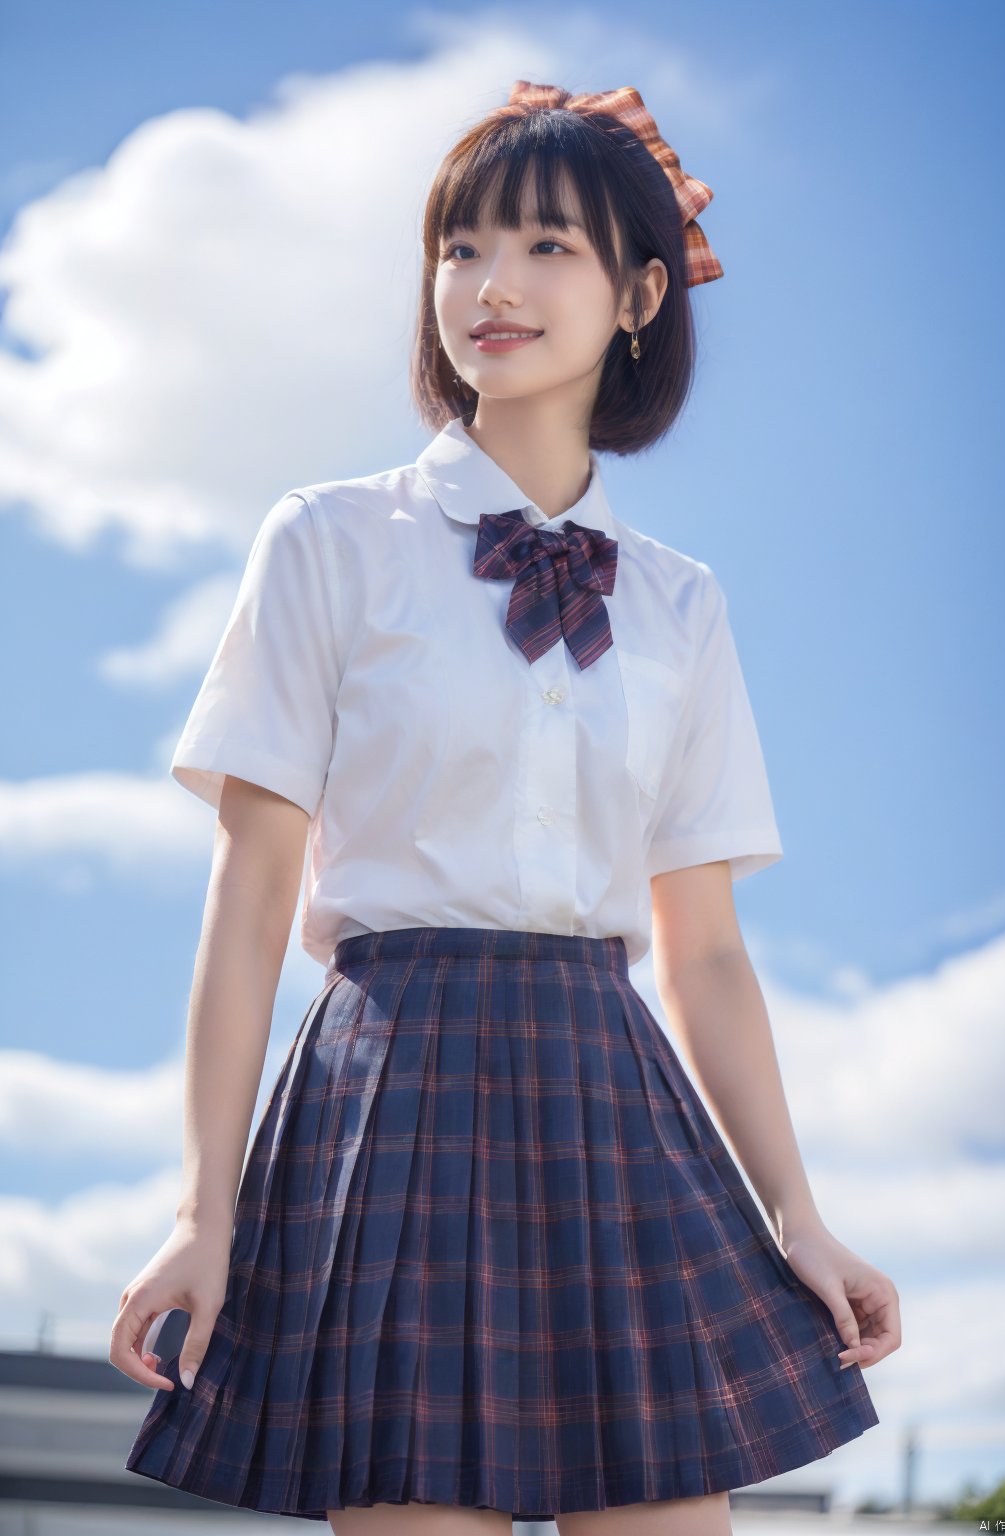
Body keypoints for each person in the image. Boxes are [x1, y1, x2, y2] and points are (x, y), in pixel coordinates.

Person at [111, 80, 900, 1536]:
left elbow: (707, 949)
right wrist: (199, 1215)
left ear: (642, 291)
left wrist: (800, 1214)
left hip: (614, 1097)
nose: (490, 284)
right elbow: (247, 908)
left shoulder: (680, 603)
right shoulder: (331, 540)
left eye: (546, 248)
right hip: (393, 1086)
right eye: (461, 246)